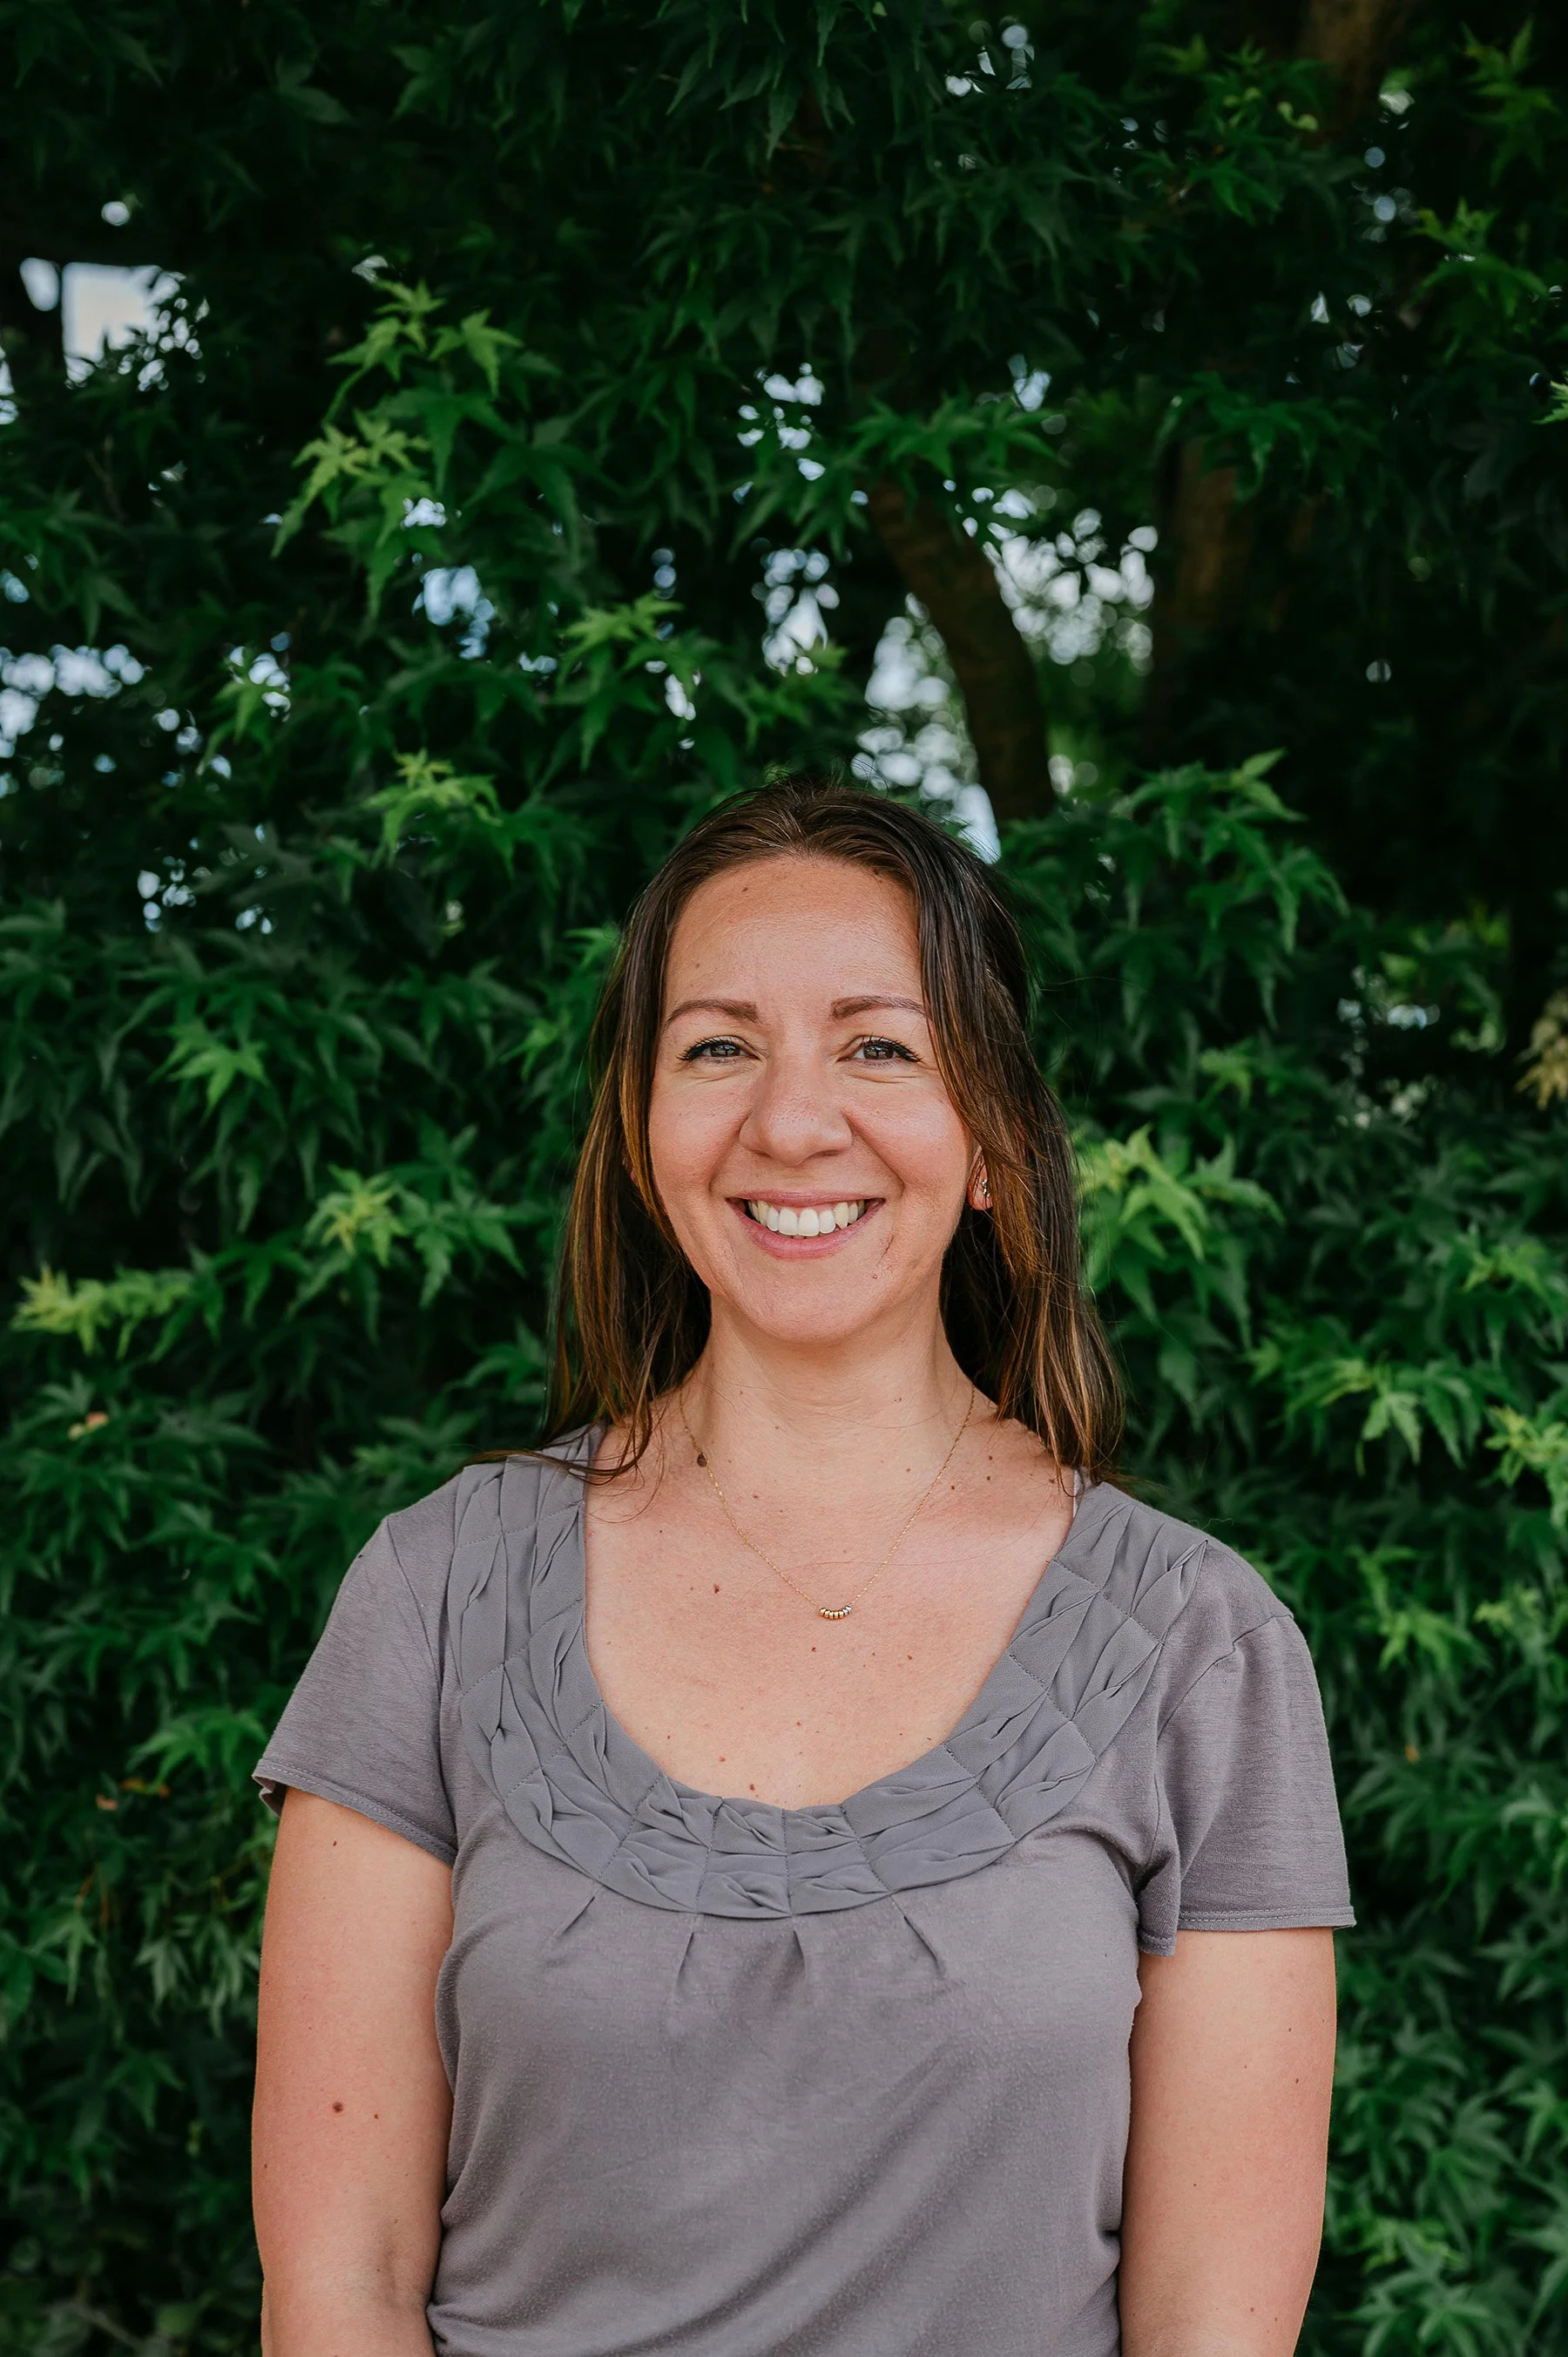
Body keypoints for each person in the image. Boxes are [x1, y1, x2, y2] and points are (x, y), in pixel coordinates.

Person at [252, 773, 1354, 2357]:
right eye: (717, 1047)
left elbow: (1214, 2330)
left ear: (990, 1143)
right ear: (643, 1135)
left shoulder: (1197, 1645)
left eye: (878, 1045)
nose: (790, 1120)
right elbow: (339, 2286)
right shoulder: (434, 1596)